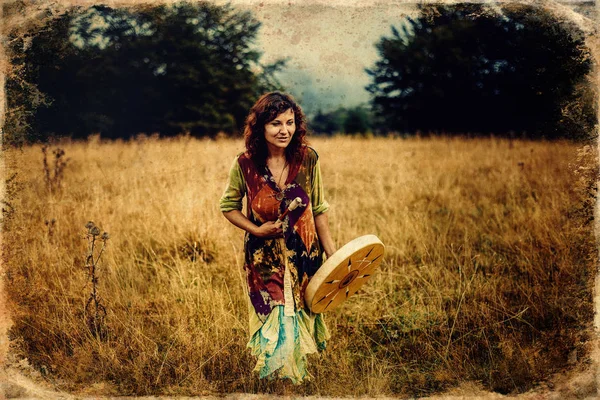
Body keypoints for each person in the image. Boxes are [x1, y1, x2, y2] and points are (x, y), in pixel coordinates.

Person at [219, 91, 336, 384]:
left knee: (299, 310)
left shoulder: (308, 158)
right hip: (263, 257)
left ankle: (292, 379)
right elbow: (228, 207)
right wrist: (257, 229)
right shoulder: (245, 164)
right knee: (276, 311)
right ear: (261, 127)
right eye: (275, 123)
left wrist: (332, 254)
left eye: (290, 122)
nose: (284, 130)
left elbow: (318, 208)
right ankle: (278, 379)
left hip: (305, 253)